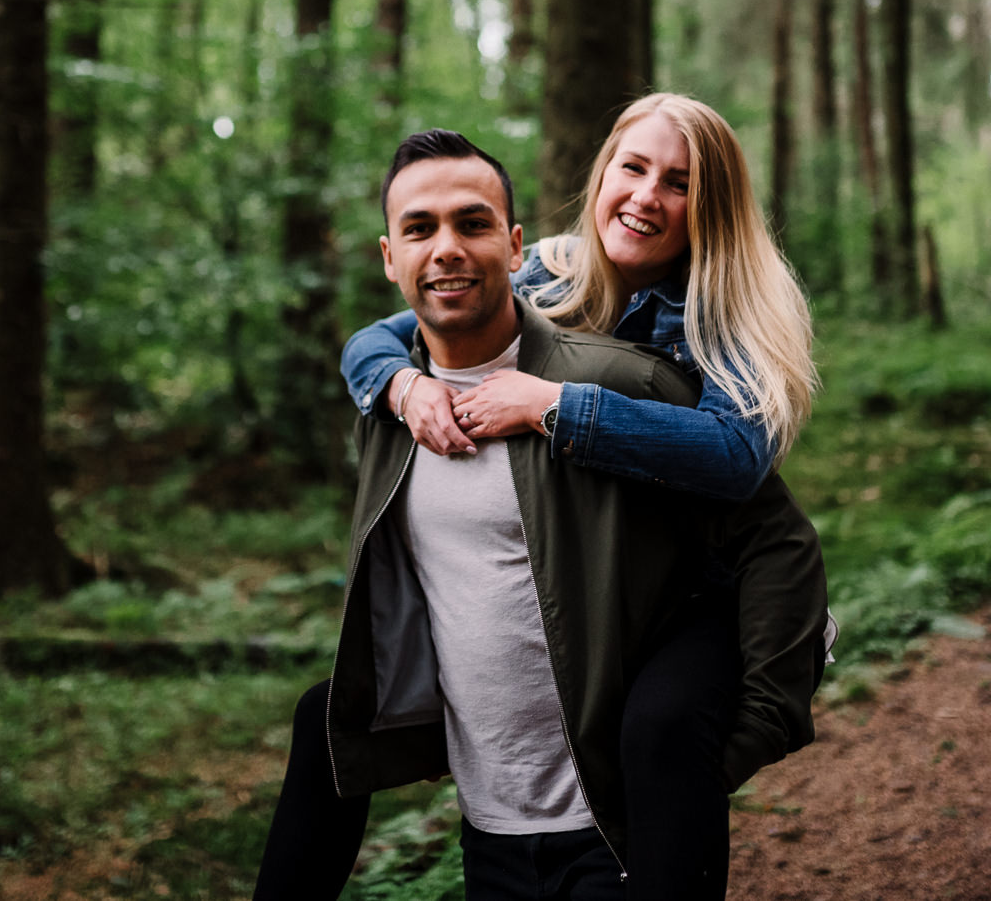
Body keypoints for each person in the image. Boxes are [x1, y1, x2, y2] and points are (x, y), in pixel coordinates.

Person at [252, 127, 830, 901]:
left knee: (659, 725)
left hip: (666, 677)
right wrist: (396, 385)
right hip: (496, 822)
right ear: (387, 257)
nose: (649, 196)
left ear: (511, 243)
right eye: (419, 230)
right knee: (322, 716)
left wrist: (560, 408)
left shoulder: (689, 339)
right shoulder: (436, 373)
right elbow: (380, 339)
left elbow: (746, 481)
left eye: (681, 184)